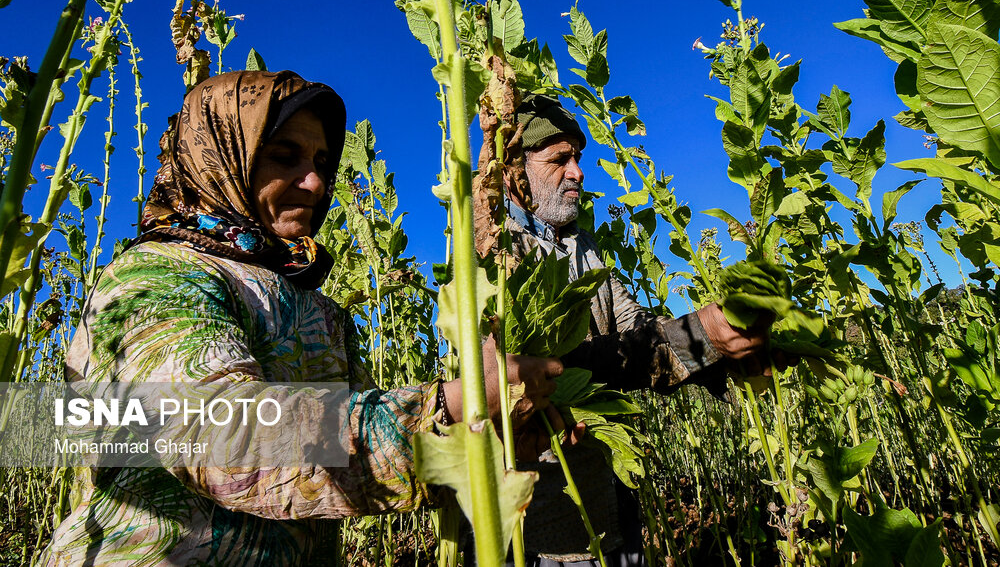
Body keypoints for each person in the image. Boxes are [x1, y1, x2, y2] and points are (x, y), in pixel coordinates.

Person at [38, 70, 563, 566]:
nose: (313, 182)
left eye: (322, 161)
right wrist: (455, 403)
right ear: (220, 159)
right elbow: (228, 439)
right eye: (284, 157)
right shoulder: (154, 279)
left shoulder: (315, 307)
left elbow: (354, 460)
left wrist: (487, 434)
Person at [479, 93, 772, 566]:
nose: (578, 172)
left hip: (610, 496)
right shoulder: (492, 255)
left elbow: (637, 331)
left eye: (579, 157)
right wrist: (701, 335)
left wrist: (718, 345)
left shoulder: (582, 246)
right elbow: (525, 375)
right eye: (560, 159)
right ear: (515, 171)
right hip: (541, 525)